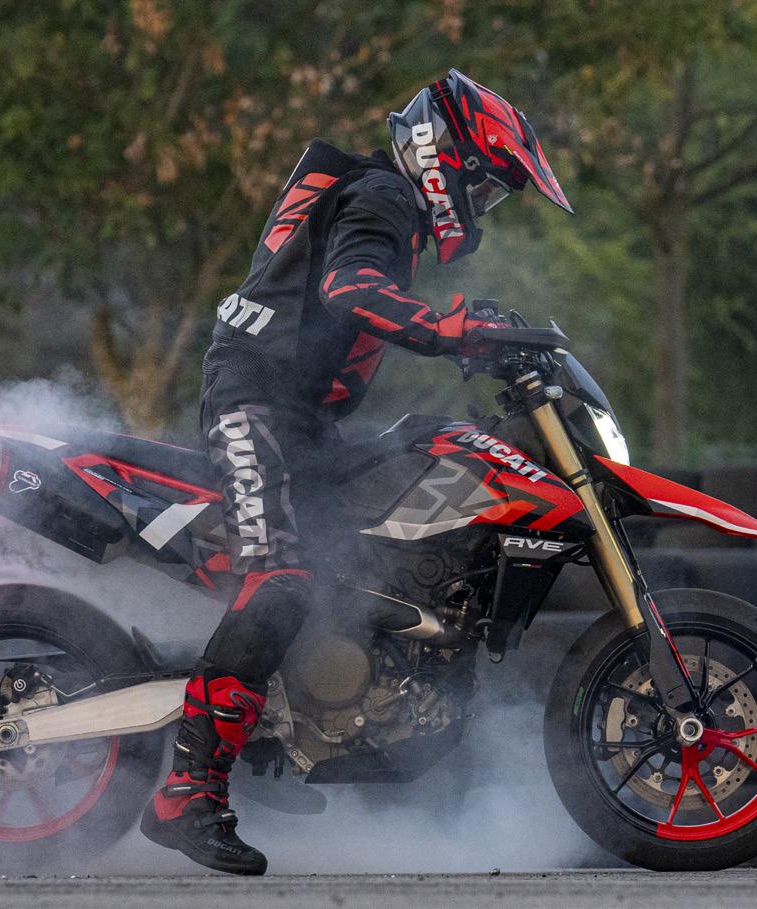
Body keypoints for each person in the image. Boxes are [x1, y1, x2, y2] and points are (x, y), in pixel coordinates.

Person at [139, 68, 574, 875]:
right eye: (485, 186)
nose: (482, 206)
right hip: (255, 403)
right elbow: (352, 287)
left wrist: (481, 334)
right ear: (446, 159)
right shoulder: (383, 196)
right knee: (283, 580)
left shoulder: (381, 200)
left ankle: (310, 711)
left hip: (301, 419)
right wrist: (450, 330)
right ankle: (187, 792)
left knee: (374, 538)